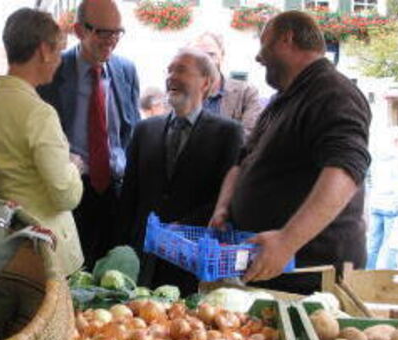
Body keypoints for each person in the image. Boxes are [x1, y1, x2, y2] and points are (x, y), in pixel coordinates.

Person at [209, 11, 371, 294]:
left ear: (286, 39)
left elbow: (346, 168)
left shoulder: (334, 93)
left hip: (310, 277)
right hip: (270, 271)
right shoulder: (280, 100)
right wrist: (224, 206)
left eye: (264, 45)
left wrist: (287, 240)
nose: (259, 57)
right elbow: (242, 161)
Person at [120, 48, 243, 296]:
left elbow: (226, 197)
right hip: (142, 259)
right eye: (169, 70)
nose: (171, 77)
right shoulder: (145, 129)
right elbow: (128, 196)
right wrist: (121, 249)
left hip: (189, 259)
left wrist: (183, 227)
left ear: (207, 83)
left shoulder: (227, 133)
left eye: (182, 70)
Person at [0, 8, 84, 276]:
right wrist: (74, 166)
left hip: (6, 235)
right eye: (58, 51)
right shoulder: (39, 113)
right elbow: (65, 196)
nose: (58, 60)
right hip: (49, 244)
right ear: (44, 50)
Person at [37, 0, 140, 269]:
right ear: (79, 30)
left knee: (113, 275)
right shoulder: (53, 70)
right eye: (102, 32)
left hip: (115, 191)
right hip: (71, 191)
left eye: (117, 32)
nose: (111, 41)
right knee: (70, 272)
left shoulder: (126, 70)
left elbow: (130, 130)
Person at [189, 32, 262, 139]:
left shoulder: (246, 92)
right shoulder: (177, 93)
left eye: (211, 54)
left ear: (222, 56)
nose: (204, 61)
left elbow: (249, 135)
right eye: (197, 55)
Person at [366, 129, 398, 270]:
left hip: (376, 203)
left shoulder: (376, 156)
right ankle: (389, 277)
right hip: (393, 206)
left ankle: (366, 274)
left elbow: (369, 180)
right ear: (397, 140)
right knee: (393, 245)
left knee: (373, 245)